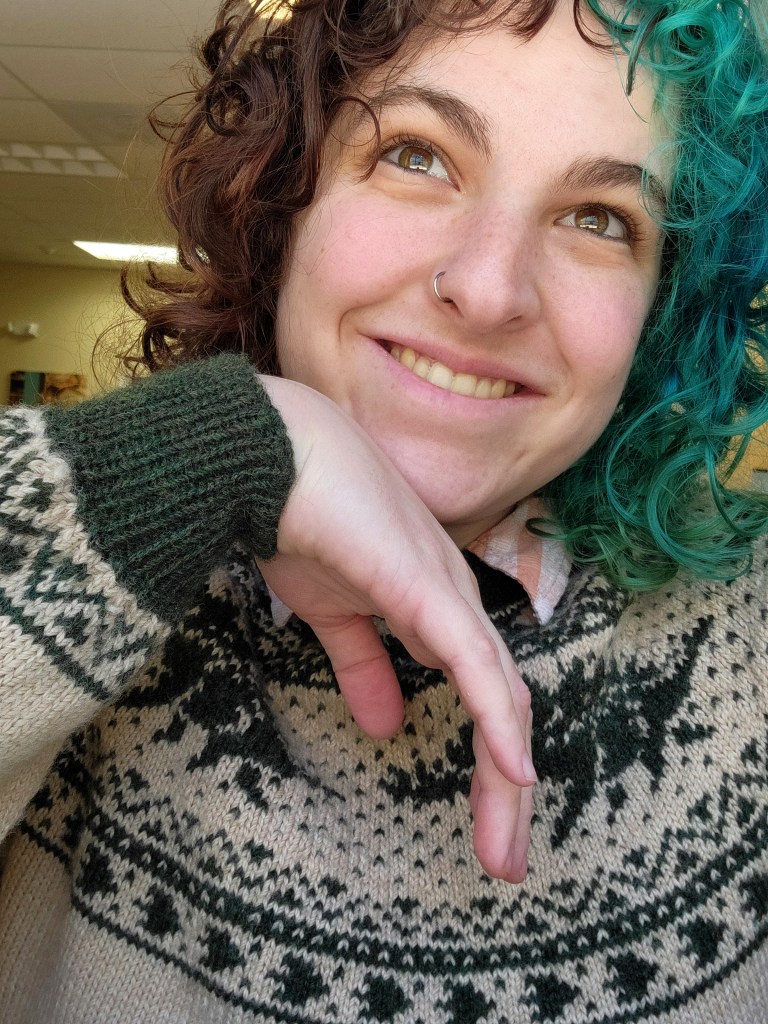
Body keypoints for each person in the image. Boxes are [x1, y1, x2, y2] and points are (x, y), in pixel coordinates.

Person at [1, 0, 767, 1020]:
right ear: (286, 197)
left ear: (659, 317)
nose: (490, 290)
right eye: (418, 154)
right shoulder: (96, 595)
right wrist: (206, 458)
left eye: (599, 219)